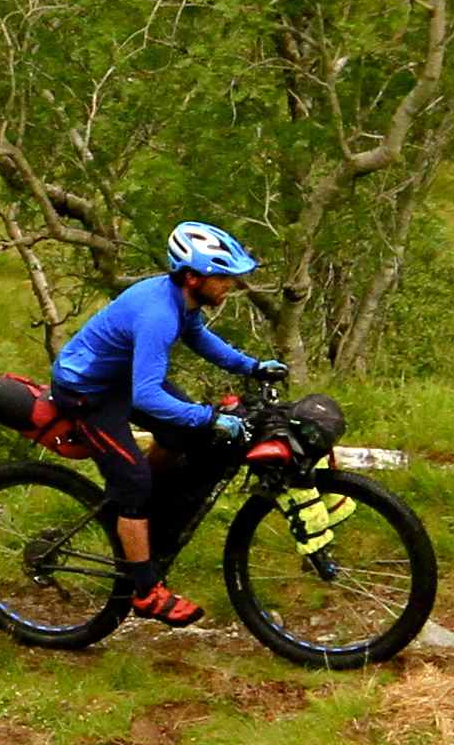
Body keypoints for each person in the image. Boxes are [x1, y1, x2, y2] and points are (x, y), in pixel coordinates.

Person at [48, 221, 286, 627]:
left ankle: (138, 515)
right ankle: (145, 591)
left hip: (121, 379)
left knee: (180, 434)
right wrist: (210, 417)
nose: (230, 285)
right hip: (88, 393)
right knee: (135, 482)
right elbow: (147, 396)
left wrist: (252, 366)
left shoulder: (182, 301)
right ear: (193, 277)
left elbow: (200, 340)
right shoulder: (158, 314)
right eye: (222, 277)